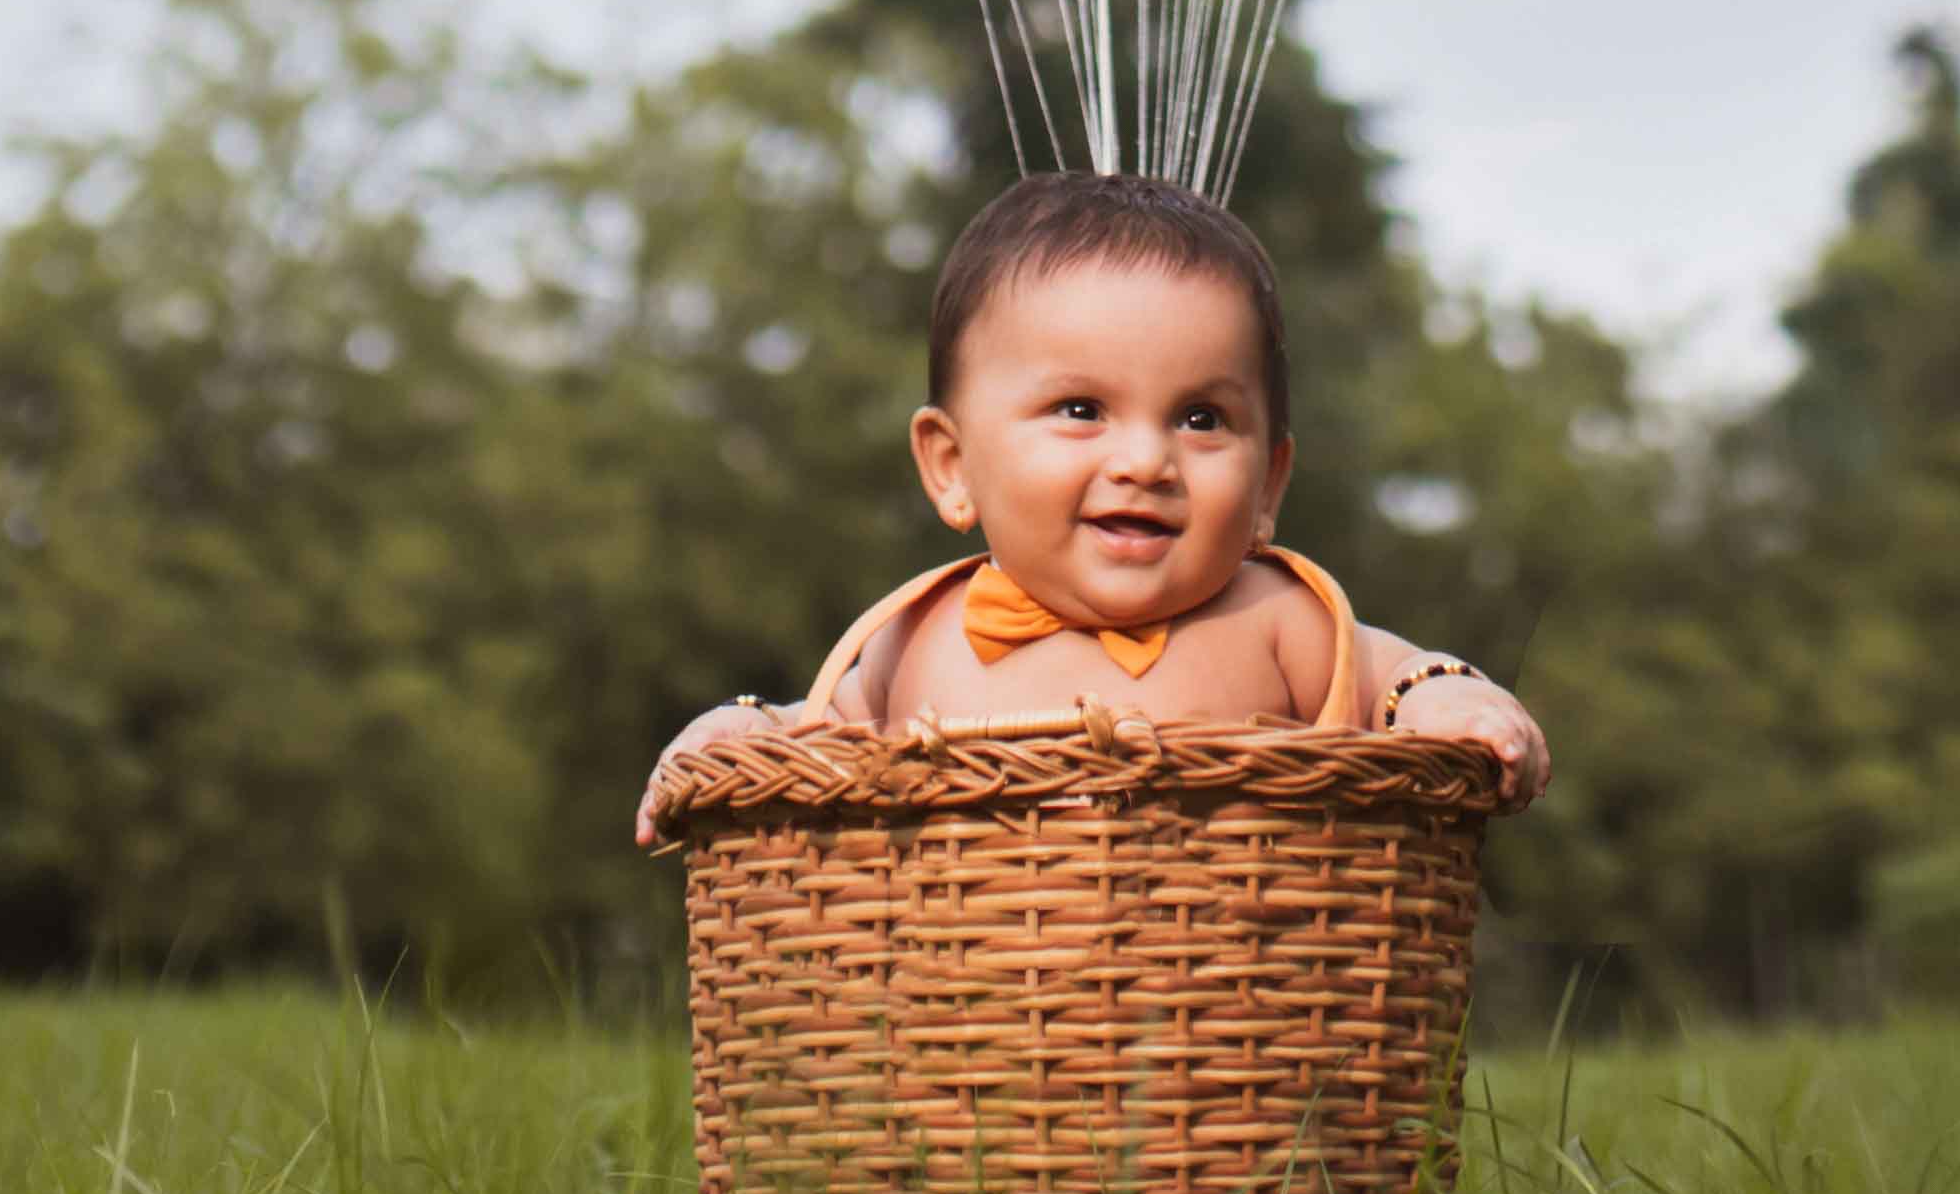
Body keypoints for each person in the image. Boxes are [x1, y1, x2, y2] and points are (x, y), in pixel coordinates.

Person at [634, 167, 1549, 830]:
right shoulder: (916, 633)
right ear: (951, 466)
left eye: (1200, 419)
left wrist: (1444, 700)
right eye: (1081, 410)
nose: (1146, 460)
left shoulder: (1275, 615)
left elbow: (1396, 677)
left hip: (1237, 996)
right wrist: (741, 725)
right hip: (967, 994)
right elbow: (809, 734)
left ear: (1269, 483)